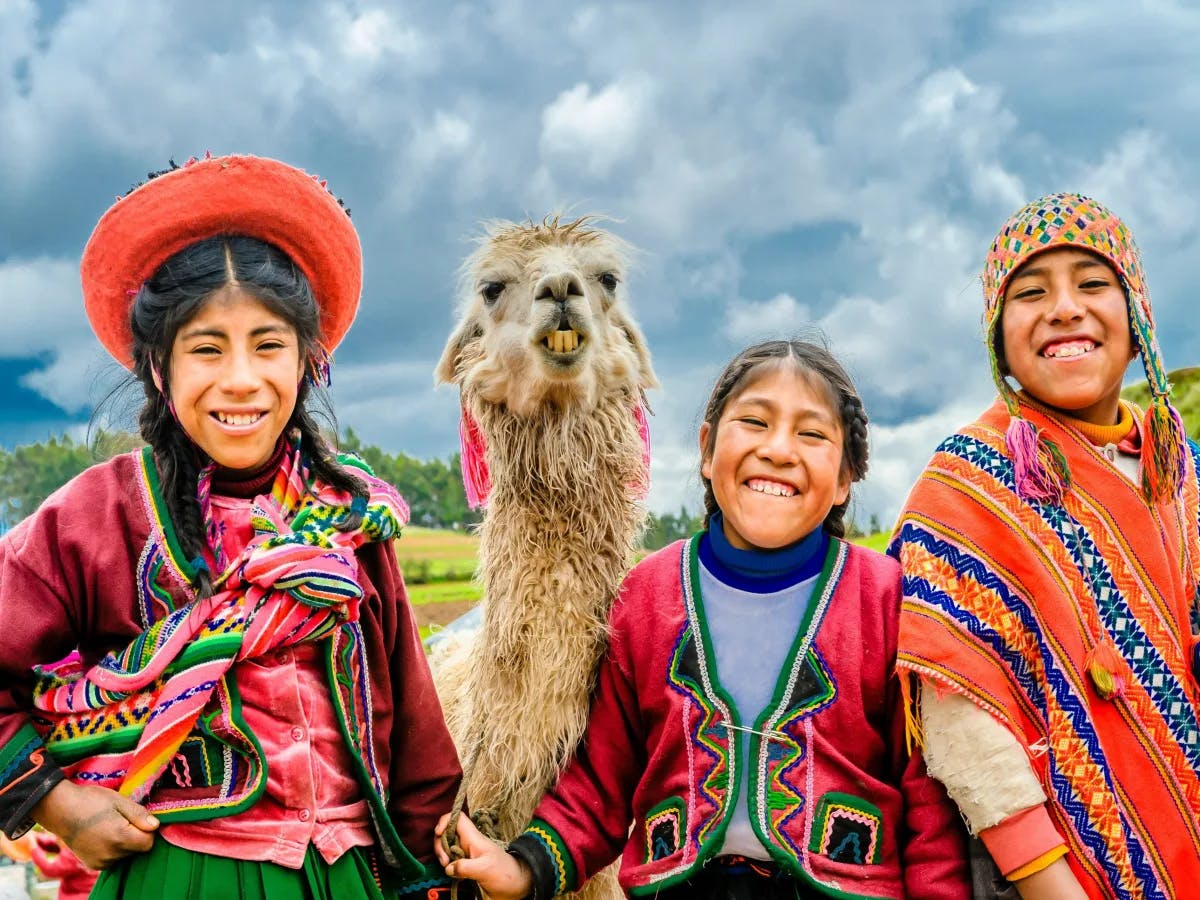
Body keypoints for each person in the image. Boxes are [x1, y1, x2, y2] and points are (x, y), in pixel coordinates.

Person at [0, 153, 462, 899]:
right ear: (159, 367)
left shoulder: (348, 520)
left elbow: (413, 729)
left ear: (309, 362)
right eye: (207, 348)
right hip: (181, 872)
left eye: (269, 345)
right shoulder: (101, 518)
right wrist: (55, 802)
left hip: (348, 876)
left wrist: (429, 874)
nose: (241, 379)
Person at [435, 339, 971, 899]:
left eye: (811, 433)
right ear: (707, 450)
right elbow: (602, 780)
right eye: (754, 422)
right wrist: (523, 868)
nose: (779, 449)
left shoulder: (884, 600)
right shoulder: (648, 596)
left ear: (844, 480)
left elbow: (927, 804)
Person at [891, 193, 1200, 899]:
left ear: (1138, 318)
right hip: (1043, 873)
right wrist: (1044, 878)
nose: (1064, 308)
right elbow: (960, 713)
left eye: (1093, 284)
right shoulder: (964, 488)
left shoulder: (1179, 472)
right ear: (1000, 336)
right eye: (1030, 293)